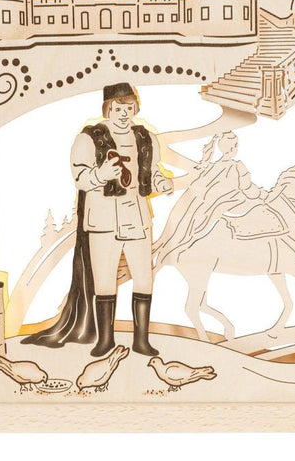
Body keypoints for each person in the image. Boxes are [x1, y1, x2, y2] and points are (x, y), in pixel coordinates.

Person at [24, 83, 173, 357]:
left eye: (129, 108)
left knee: (144, 278)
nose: (124, 114)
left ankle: (141, 340)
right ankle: (106, 340)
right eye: (118, 109)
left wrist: (161, 182)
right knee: (104, 281)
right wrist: (101, 175)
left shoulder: (145, 137)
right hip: (103, 221)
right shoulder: (89, 138)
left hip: (138, 219)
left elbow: (151, 172)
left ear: (136, 108)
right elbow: (80, 179)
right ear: (107, 109)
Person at [154, 131, 262, 269]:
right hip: (221, 206)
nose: (236, 148)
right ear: (233, 148)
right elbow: (248, 188)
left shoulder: (212, 167)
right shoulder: (237, 166)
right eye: (236, 145)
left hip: (202, 208)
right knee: (256, 208)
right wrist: (263, 195)